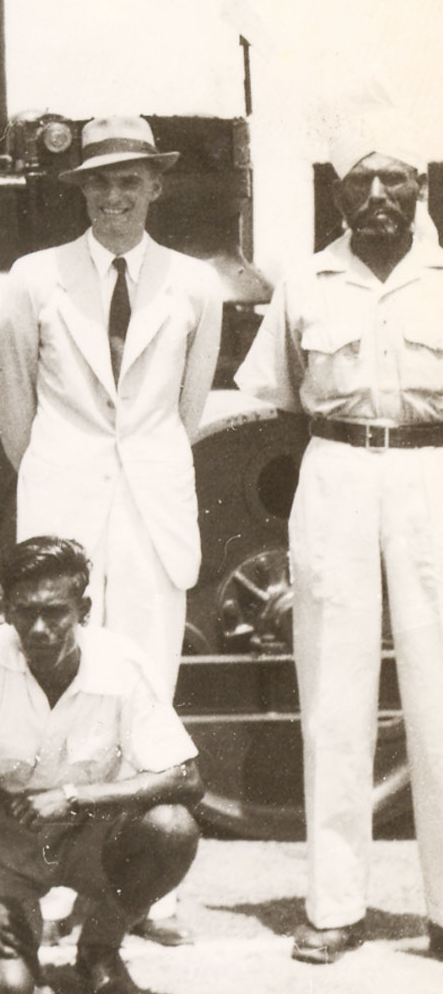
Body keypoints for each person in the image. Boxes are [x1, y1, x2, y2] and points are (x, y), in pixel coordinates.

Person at [235, 128, 443, 964]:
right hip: (337, 471)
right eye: (363, 184)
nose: (380, 197)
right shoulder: (306, 282)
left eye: (396, 180)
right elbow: (280, 400)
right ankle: (334, 905)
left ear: (422, 186)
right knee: (334, 698)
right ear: (339, 196)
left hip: (432, 473)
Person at [0, 114, 223, 706]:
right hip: (63, 505)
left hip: (154, 516)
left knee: (147, 683)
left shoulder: (195, 285)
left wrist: (147, 459)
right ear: (81, 190)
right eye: (99, 184)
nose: (113, 198)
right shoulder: (34, 278)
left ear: (155, 186)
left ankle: (139, 801)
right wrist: (58, 466)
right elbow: (12, 401)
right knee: (62, 680)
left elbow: (186, 410)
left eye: (128, 182)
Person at [0, 536, 202, 994]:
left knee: (171, 829)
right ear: (6, 609)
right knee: (6, 988)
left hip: (86, 832)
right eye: (24, 611)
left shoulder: (121, 663)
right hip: (1, 839)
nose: (38, 628)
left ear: (83, 609)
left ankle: (100, 949)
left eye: (55, 612)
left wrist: (77, 797)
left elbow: (186, 777)